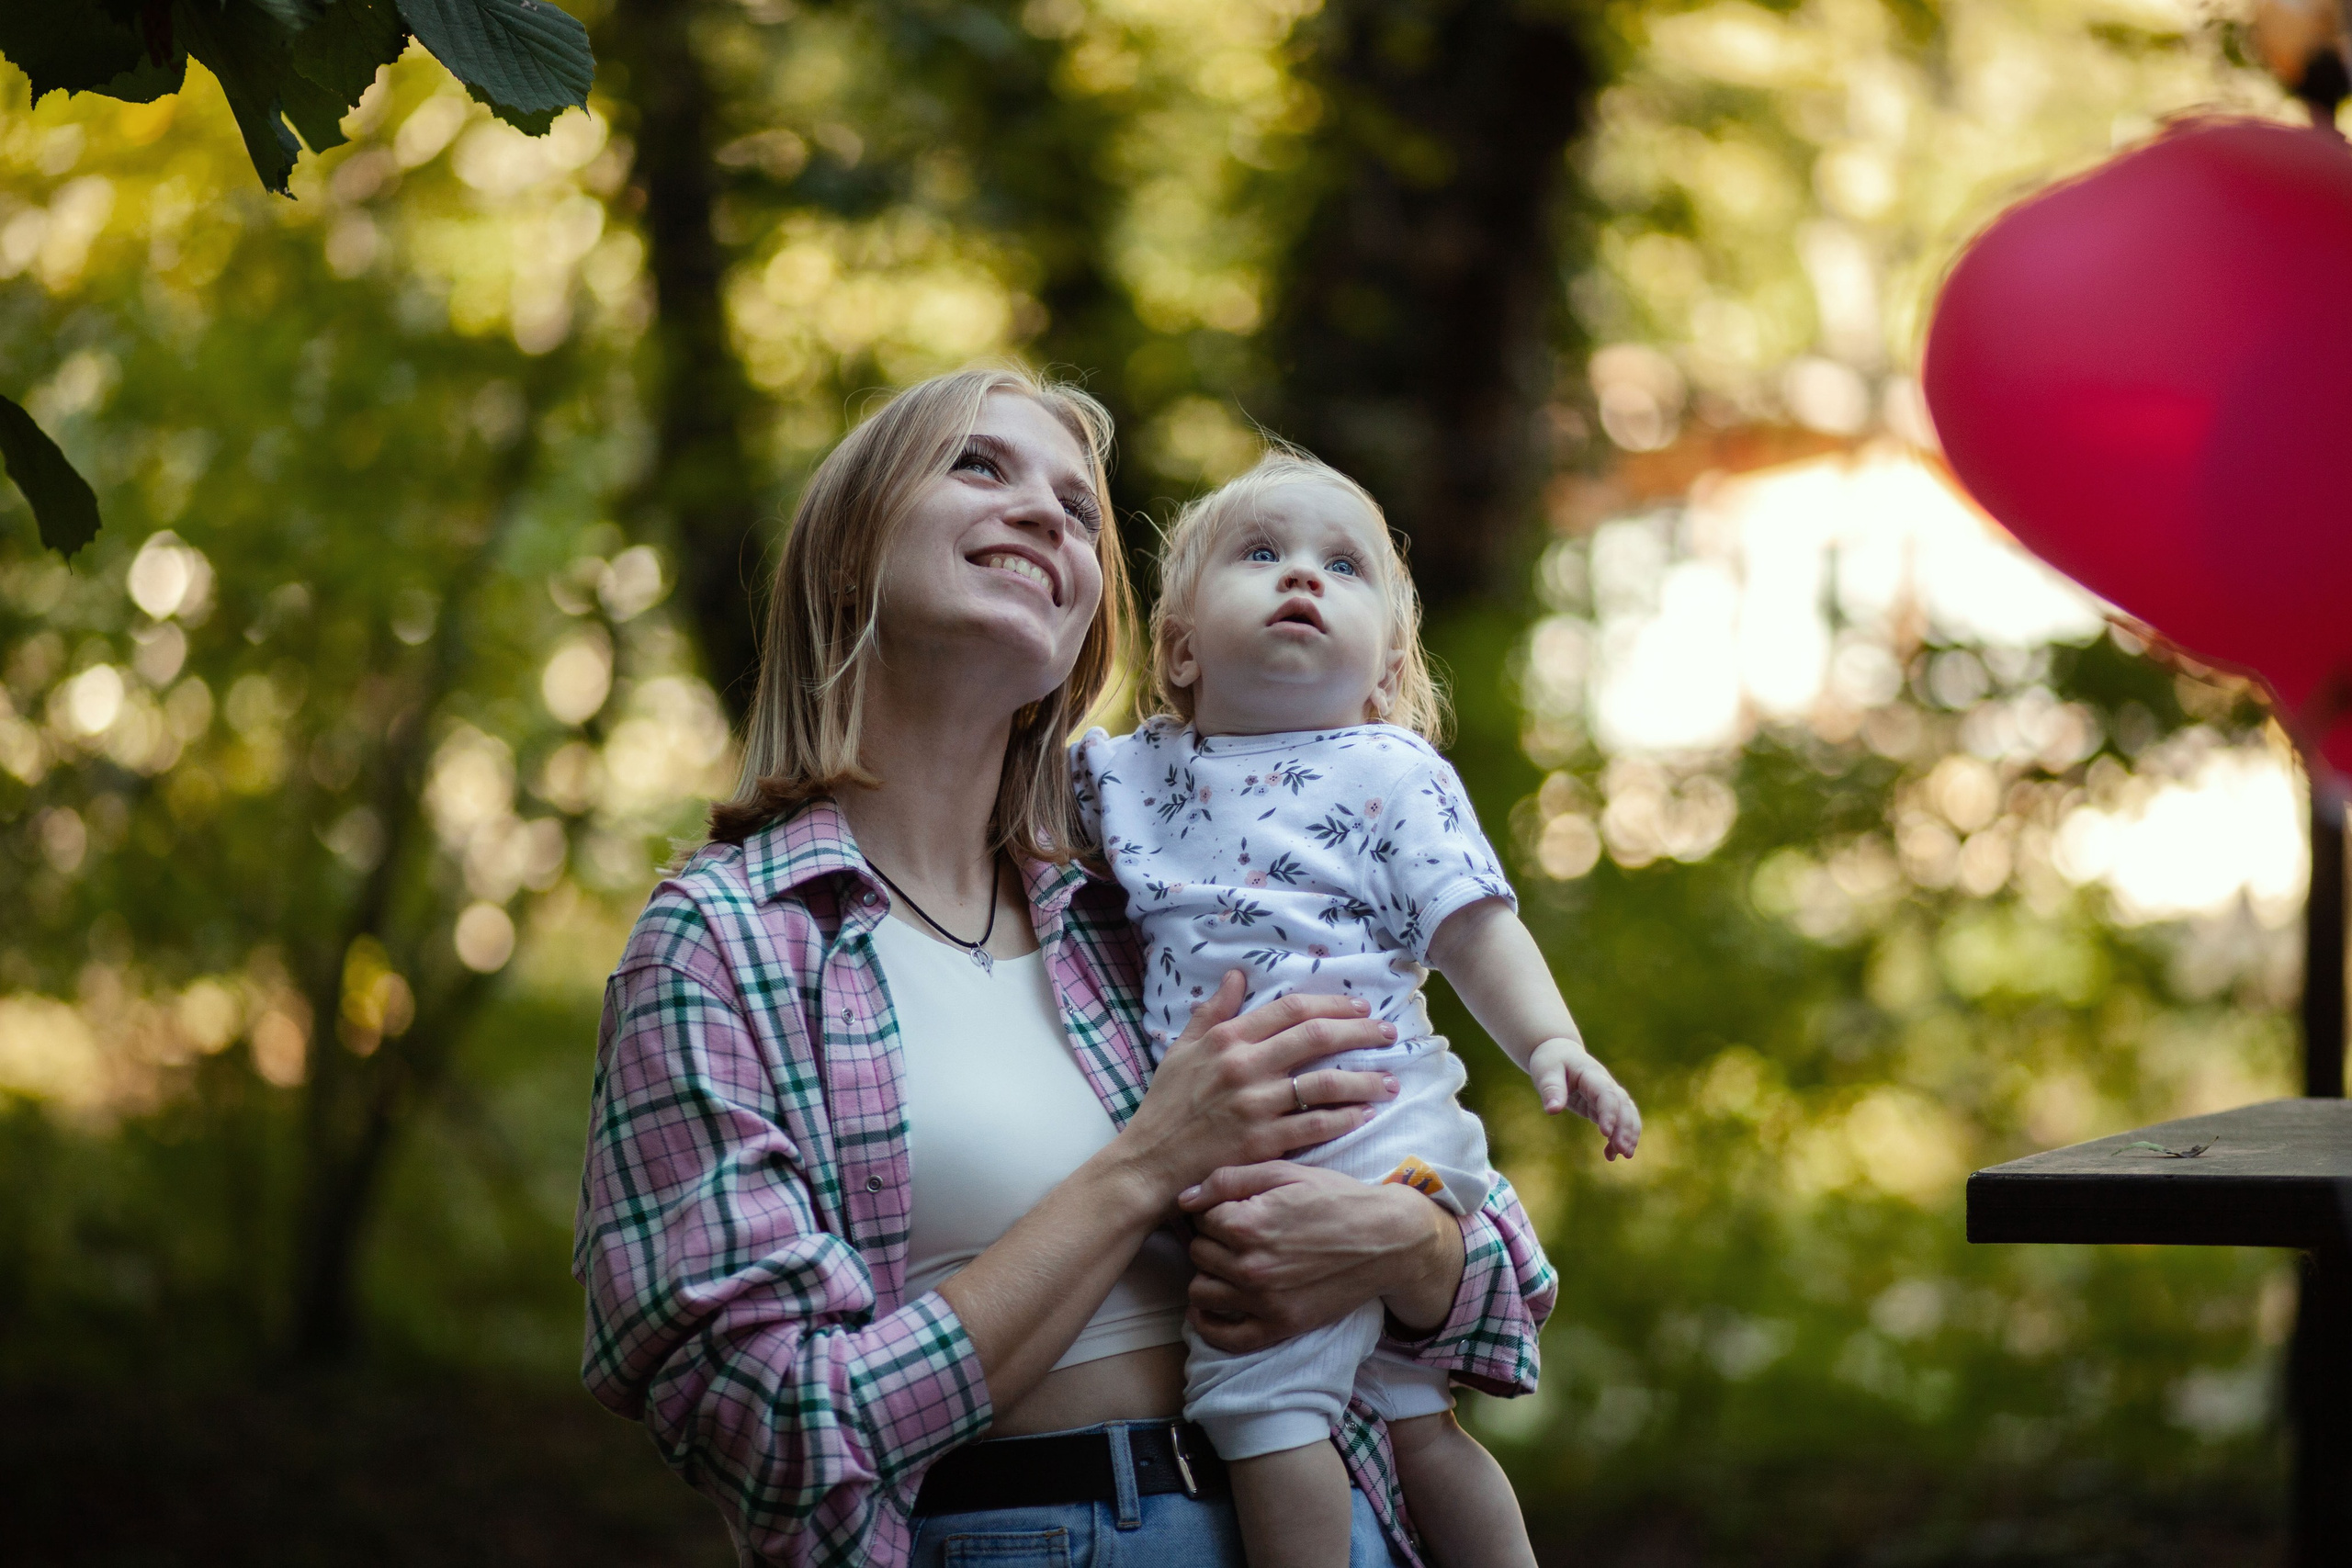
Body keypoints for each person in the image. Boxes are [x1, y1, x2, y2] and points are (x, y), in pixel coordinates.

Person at [572, 367, 1556, 1568]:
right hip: (1024, 1532)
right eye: (979, 465)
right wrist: (1149, 1160)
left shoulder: (1143, 907)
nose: (1048, 511)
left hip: (1333, 1516)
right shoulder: (722, 943)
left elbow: (1507, 1286)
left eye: (1079, 508)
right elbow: (777, 1426)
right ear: (845, 551)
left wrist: (1403, 1243)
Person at [1074, 448, 1642, 1568]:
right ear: (1180, 648)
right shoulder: (1124, 775)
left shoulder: (1389, 770)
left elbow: (1474, 927)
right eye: (1260, 554)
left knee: (1261, 1411)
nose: (1302, 577)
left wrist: (1553, 1042)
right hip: (1244, 1136)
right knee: (1414, 1423)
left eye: (1343, 565)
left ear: (1385, 665)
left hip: (1371, 1130)